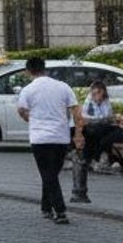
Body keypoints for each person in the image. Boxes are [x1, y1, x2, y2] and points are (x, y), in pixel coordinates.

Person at [14, 57, 83, 224]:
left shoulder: (28, 90)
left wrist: (33, 119)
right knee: (52, 173)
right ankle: (46, 206)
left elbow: (21, 110)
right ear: (45, 68)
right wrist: (78, 134)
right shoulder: (63, 86)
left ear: (28, 71)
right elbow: (76, 111)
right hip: (61, 137)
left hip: (40, 138)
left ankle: (60, 211)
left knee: (48, 174)